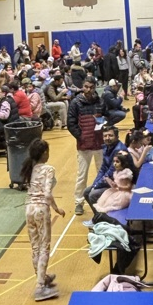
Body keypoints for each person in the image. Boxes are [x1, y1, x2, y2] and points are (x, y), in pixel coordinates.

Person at [20, 139, 65, 302]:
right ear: (44, 153)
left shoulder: (30, 169)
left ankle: (43, 276)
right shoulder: (48, 169)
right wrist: (57, 208)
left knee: (35, 247)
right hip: (41, 209)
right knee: (44, 248)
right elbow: (47, 193)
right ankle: (40, 287)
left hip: (29, 209)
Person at [67, 77, 104, 215]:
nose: (88, 90)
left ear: (95, 88)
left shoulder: (99, 101)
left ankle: (101, 199)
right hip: (84, 145)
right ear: (83, 86)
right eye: (86, 87)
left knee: (102, 173)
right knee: (82, 175)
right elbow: (71, 123)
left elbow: (105, 116)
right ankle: (79, 202)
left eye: (91, 87)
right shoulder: (76, 103)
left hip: (99, 143)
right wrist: (81, 136)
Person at [83, 125, 126, 211]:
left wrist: (97, 186)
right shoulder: (107, 147)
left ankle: (101, 219)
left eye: (110, 135)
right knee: (86, 192)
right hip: (109, 181)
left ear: (117, 137)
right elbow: (103, 168)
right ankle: (97, 218)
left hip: (118, 184)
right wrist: (95, 184)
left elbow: (111, 172)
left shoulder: (119, 150)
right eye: (105, 136)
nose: (107, 138)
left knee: (92, 195)